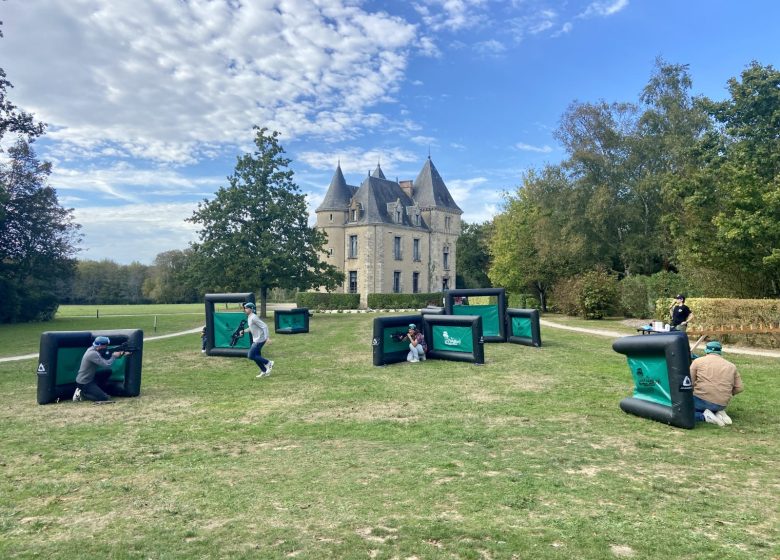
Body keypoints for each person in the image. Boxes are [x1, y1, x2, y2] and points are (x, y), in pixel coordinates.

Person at [689, 340, 744, 427]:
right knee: (711, 404)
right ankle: (718, 413)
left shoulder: (697, 362)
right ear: (720, 351)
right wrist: (726, 393)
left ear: (706, 350)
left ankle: (705, 416)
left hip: (701, 400)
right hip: (722, 404)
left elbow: (689, 383)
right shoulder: (731, 366)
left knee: (683, 412)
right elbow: (739, 388)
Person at [72, 336, 129, 403]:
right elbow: (107, 364)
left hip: (90, 378)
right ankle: (82, 394)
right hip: (84, 382)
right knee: (104, 398)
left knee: (107, 372)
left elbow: (107, 356)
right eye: (105, 345)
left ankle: (98, 389)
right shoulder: (92, 353)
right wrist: (114, 356)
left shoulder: (94, 349)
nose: (107, 347)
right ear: (100, 346)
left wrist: (121, 354)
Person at [241, 302, 274, 378]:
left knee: (250, 355)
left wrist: (267, 338)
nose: (245, 309)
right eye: (244, 308)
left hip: (260, 339)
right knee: (257, 356)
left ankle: (269, 363)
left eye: (246, 308)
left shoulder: (254, 317)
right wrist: (244, 331)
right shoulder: (249, 317)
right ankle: (264, 371)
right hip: (256, 339)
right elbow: (252, 328)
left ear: (251, 309)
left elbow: (264, 326)